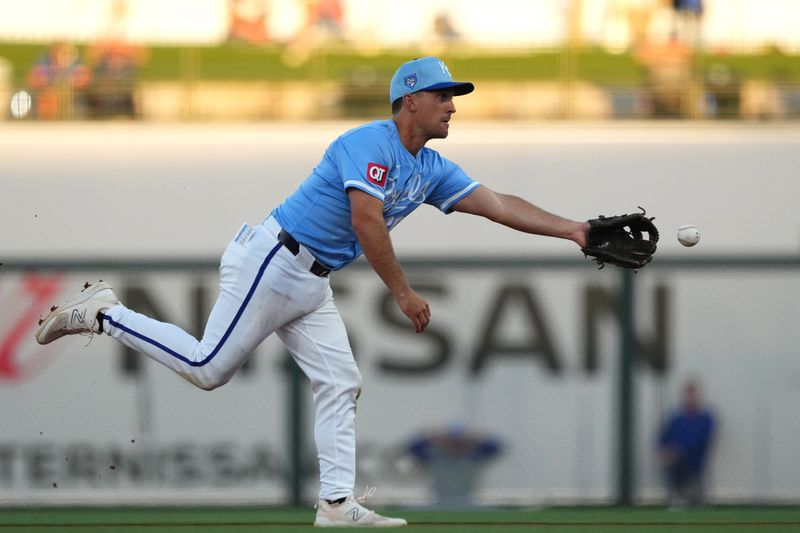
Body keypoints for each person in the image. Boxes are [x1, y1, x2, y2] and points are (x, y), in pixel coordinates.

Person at [35, 56, 590, 527]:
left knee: (341, 381)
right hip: (274, 259)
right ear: (411, 99)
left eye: (454, 97)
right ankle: (104, 314)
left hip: (311, 281)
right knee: (208, 369)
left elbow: (498, 204)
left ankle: (335, 502)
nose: (453, 106)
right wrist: (401, 291)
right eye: (444, 95)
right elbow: (366, 221)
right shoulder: (368, 142)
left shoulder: (431, 167)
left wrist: (574, 230)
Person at [658, 378, 716, 507]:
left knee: (680, 460)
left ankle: (688, 496)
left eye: (693, 394)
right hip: (675, 463)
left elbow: (701, 440)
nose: (690, 398)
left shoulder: (705, 419)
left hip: (695, 461)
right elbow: (663, 438)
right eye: (688, 394)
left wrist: (680, 450)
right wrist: (666, 450)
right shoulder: (677, 418)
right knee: (672, 462)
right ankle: (677, 496)